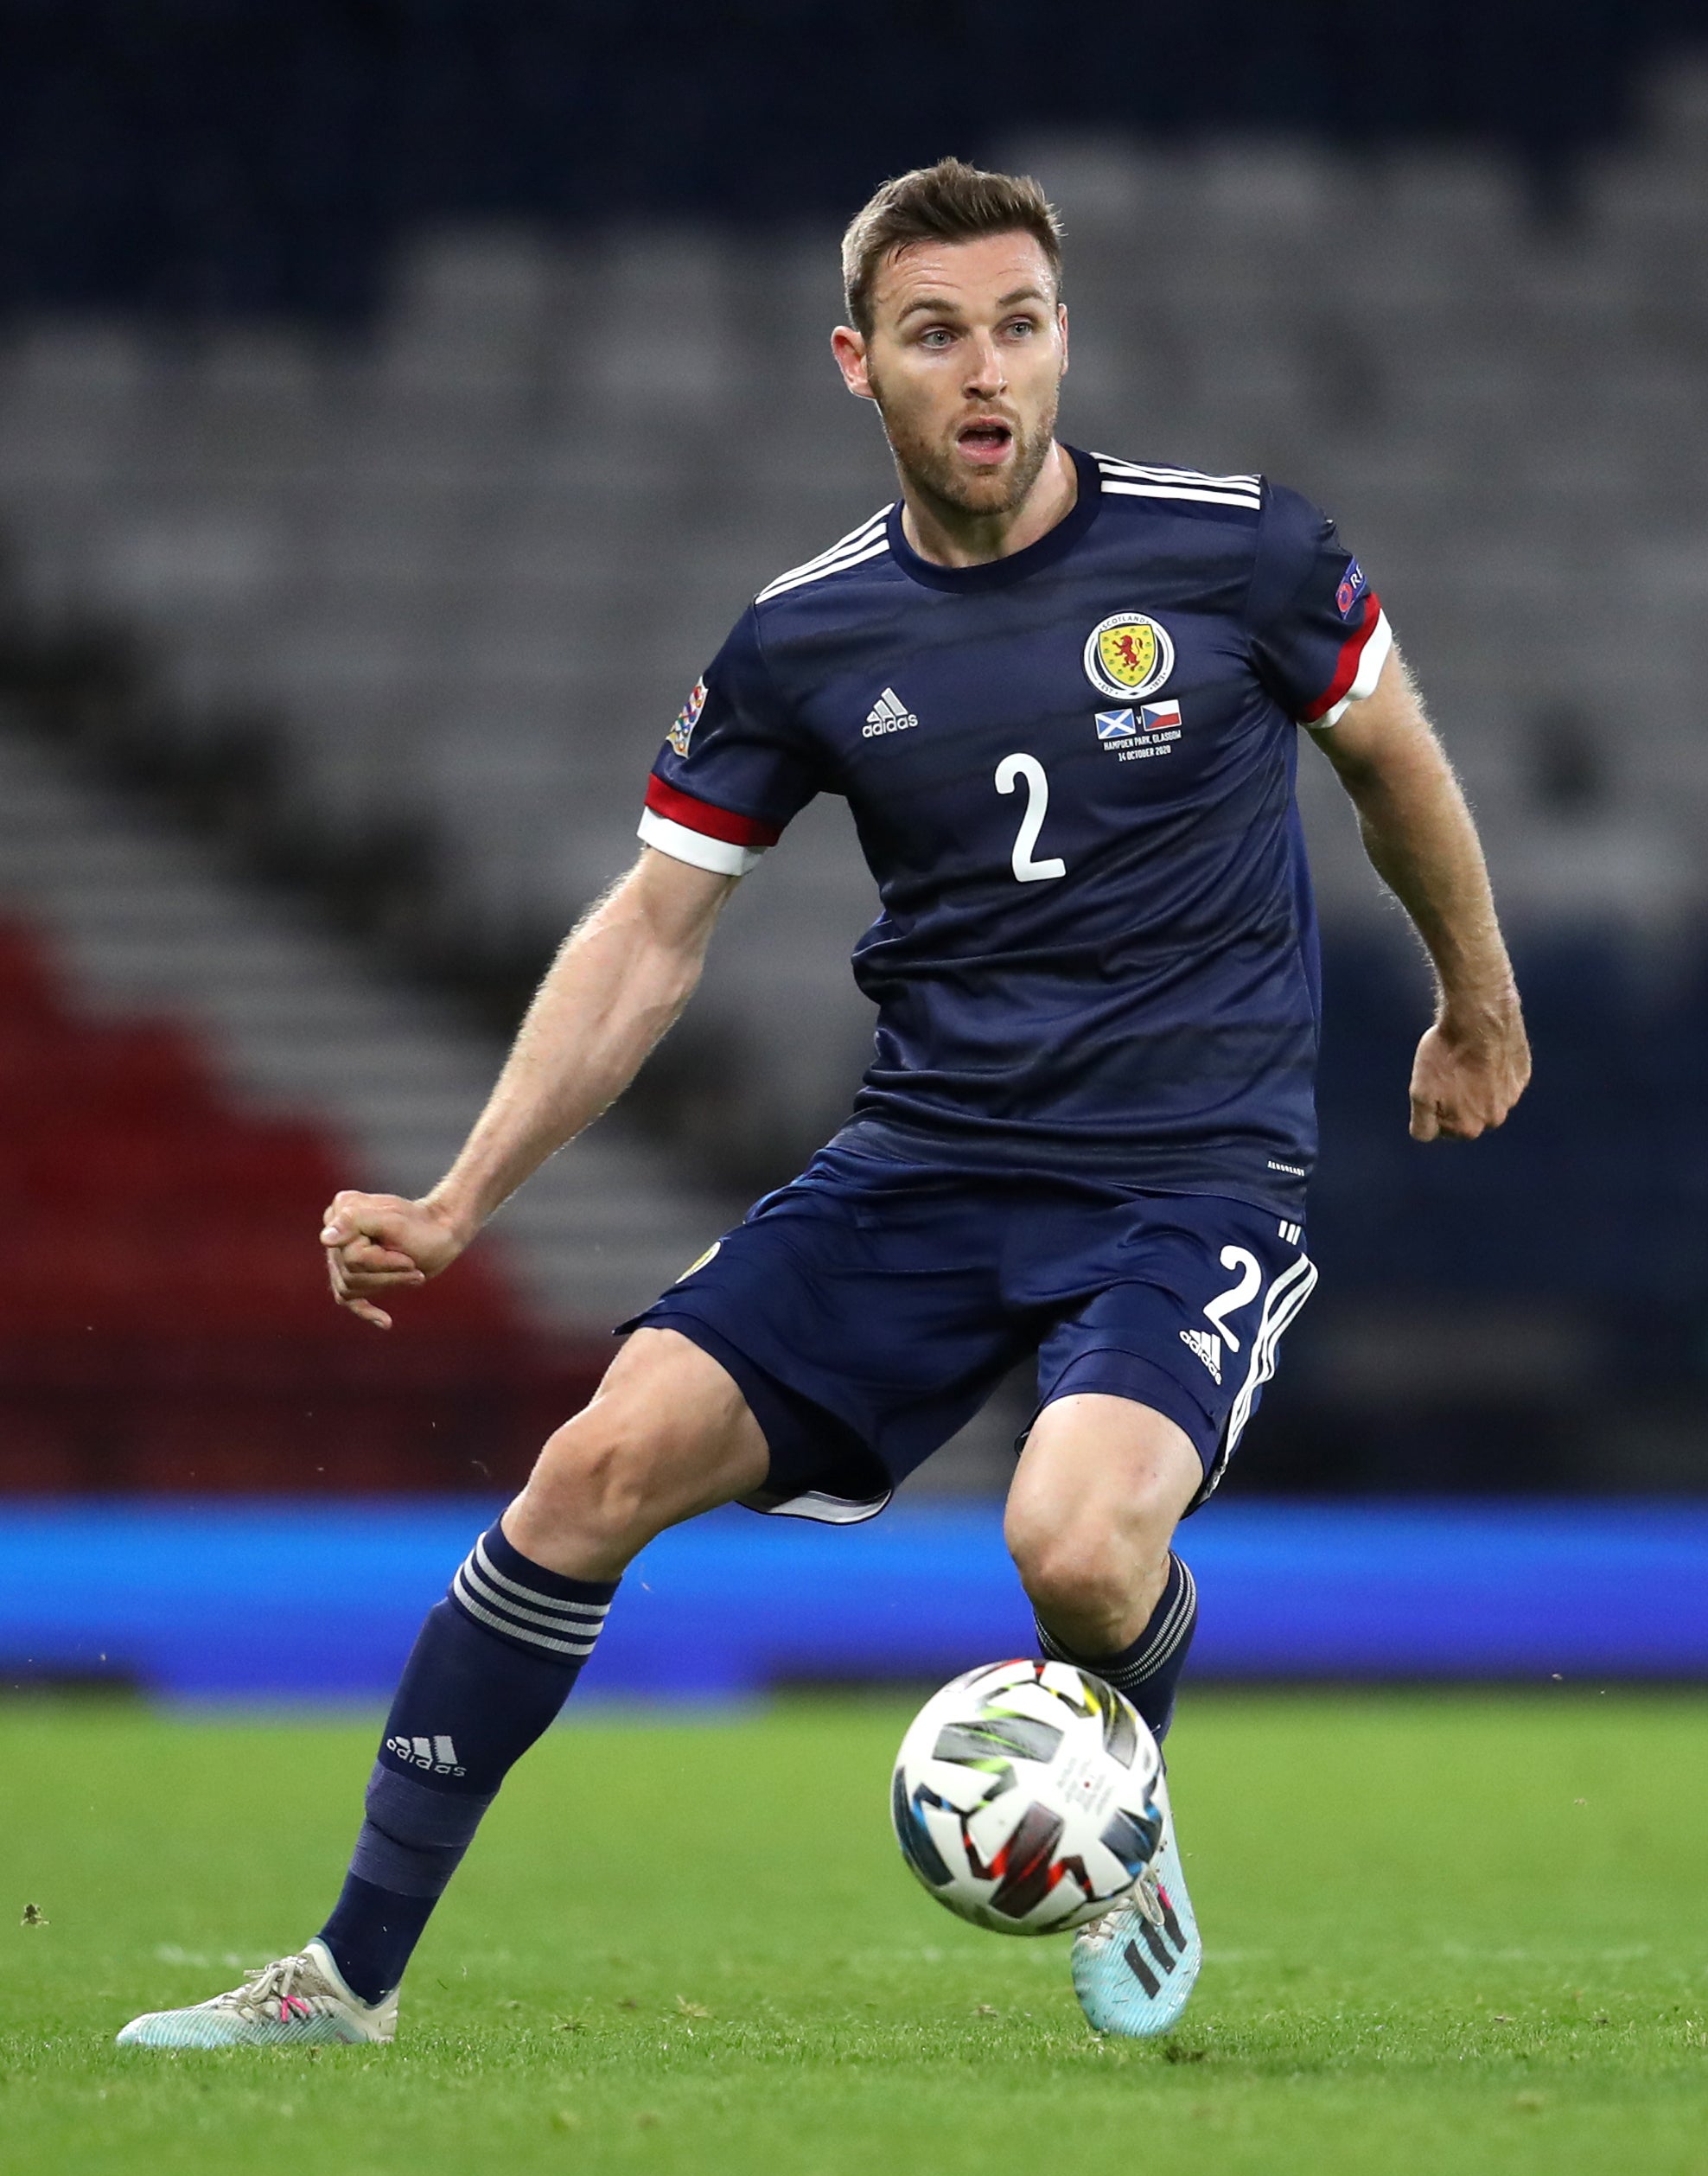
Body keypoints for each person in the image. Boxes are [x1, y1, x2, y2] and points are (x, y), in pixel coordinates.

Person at [118, 157, 1529, 2051]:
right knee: (587, 1473)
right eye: (938, 334)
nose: (986, 373)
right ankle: (343, 1983)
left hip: (1185, 1175)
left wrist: (1474, 996)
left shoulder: (1241, 554)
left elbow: (1390, 755)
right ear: (856, 363)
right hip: (928, 1166)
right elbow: (647, 936)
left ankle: (1130, 1822)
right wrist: (461, 1201)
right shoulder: (802, 640)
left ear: (1059, 345)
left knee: (1078, 1546)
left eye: (1019, 327)